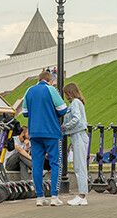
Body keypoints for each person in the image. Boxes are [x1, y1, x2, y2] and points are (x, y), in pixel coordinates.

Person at [23, 69, 69, 206]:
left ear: (38, 79)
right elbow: (63, 109)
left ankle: (39, 197)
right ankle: (54, 197)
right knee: (55, 163)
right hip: (51, 132)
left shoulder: (29, 91)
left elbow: (25, 113)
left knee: (37, 164)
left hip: (34, 133)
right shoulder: (51, 90)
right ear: (50, 80)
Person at [61, 83, 89, 206]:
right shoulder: (78, 102)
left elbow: (76, 118)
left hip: (78, 135)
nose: (65, 96)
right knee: (79, 166)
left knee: (79, 167)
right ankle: (82, 194)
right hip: (78, 135)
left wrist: (65, 127)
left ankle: (82, 195)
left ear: (70, 93)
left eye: (66, 93)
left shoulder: (75, 103)